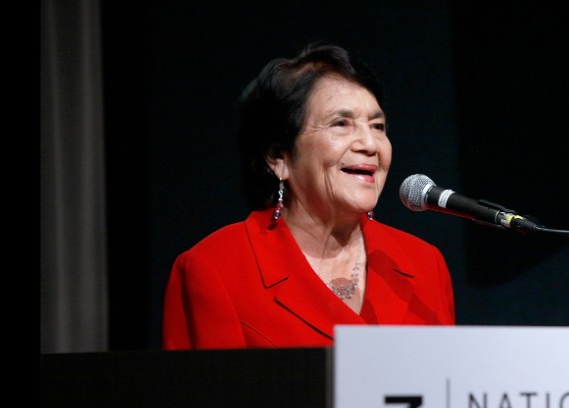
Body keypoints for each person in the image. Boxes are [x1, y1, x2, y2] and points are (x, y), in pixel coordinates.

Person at [162, 43, 456, 349]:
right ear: (280, 158)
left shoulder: (425, 265)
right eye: (341, 124)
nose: (370, 143)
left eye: (378, 126)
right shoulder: (215, 269)